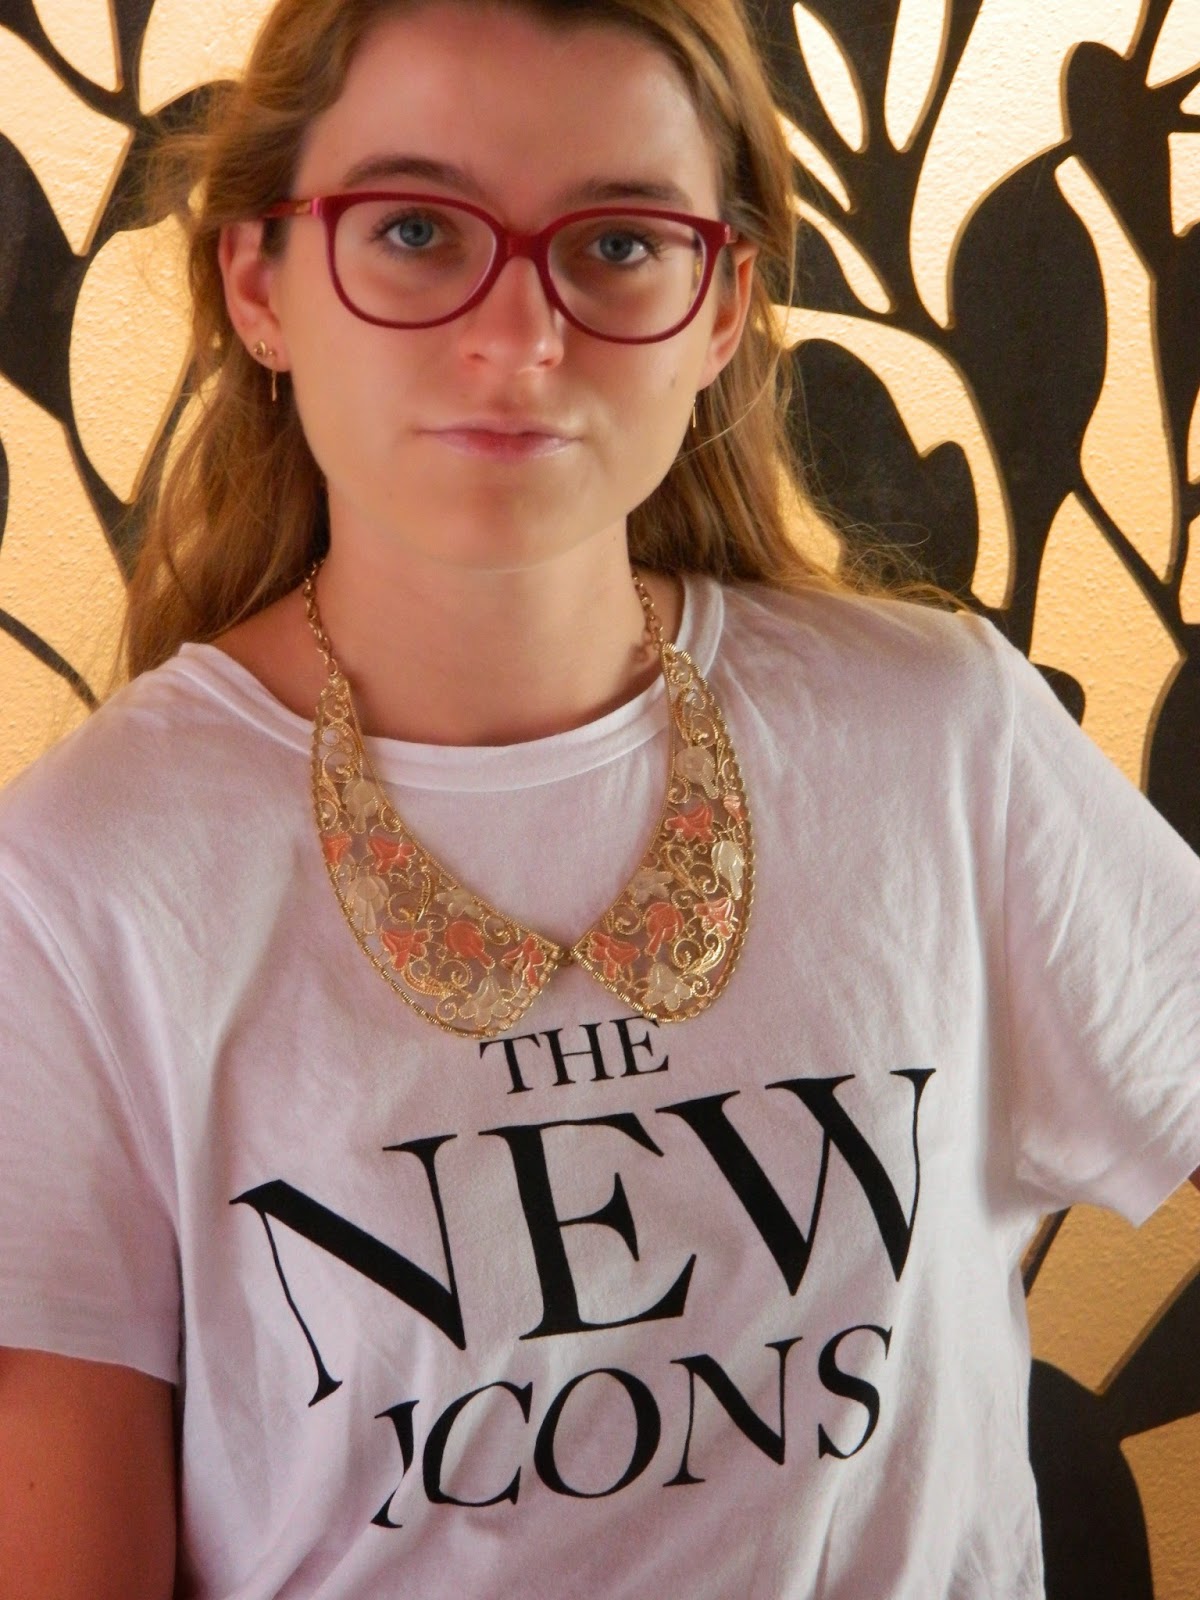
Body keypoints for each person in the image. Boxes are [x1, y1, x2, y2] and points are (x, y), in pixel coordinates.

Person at [0, 0, 1197, 1595]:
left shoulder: (943, 742)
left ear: (721, 306)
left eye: (619, 245)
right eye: (416, 230)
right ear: (260, 283)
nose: (521, 339)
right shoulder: (76, 881)